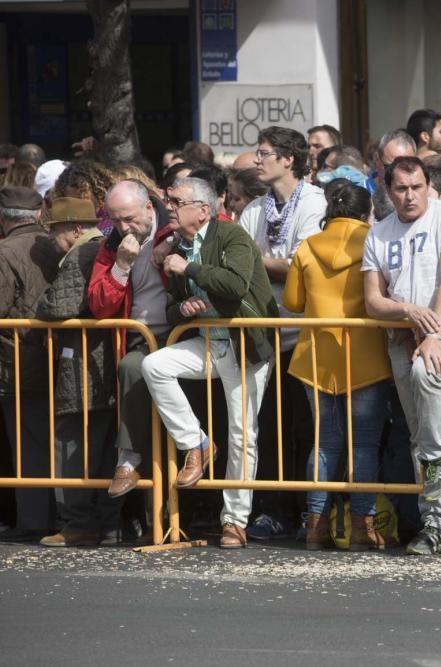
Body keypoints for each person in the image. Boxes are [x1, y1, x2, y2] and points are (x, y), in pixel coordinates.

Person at [142, 177, 279, 549]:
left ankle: (234, 521)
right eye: (168, 200)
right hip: (208, 344)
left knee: (242, 433)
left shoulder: (232, 237)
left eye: (177, 201)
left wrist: (188, 269)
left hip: (244, 347)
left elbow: (235, 285)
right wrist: (182, 309)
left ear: (203, 210)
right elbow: (173, 309)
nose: (169, 206)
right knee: (155, 365)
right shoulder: (180, 245)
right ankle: (197, 444)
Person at [362, 156, 441, 555]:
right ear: (389, 192)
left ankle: (439, 520)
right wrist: (407, 311)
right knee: (417, 433)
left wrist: (433, 333)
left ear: (429, 185)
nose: (410, 196)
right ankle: (434, 519)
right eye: (401, 189)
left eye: (417, 187)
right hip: (400, 335)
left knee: (427, 375)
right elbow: (374, 300)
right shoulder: (378, 233)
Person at [283, 180, 394, 551]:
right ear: (367, 212)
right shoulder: (376, 240)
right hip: (367, 355)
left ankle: (315, 526)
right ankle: (362, 528)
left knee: (324, 442)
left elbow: (294, 301)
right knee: (364, 445)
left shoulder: (308, 246)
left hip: (316, 357)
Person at [238, 126, 325, 541]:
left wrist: (257, 261)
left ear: (289, 159)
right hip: (264, 334)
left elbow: (303, 266)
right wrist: (262, 263)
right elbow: (240, 263)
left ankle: (313, 512)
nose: (257, 160)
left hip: (306, 334)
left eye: (264, 153)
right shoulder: (255, 208)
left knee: (308, 428)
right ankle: (273, 511)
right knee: (267, 428)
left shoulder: (315, 203)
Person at [35, 198, 122, 547]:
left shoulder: (82, 253)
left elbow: (59, 304)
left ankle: (76, 522)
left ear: (72, 229)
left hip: (83, 362)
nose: (52, 238)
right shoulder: (100, 248)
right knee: (101, 445)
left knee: (72, 444)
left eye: (54, 230)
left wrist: (40, 304)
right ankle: (105, 523)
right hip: (101, 361)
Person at [88, 181, 173, 498]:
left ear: (149, 208)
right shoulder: (112, 245)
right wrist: (121, 265)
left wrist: (174, 248)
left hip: (184, 333)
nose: (123, 227)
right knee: (132, 368)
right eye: (115, 219)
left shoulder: (176, 228)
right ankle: (128, 461)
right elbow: (99, 304)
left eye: (129, 218)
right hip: (139, 336)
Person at [0, 187, 60, 540]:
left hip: (16, 359)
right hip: (57, 355)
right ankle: (56, 516)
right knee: (57, 438)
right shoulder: (56, 243)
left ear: (4, 219)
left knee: (27, 441)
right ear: (38, 215)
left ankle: (35, 520)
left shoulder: (5, 251)